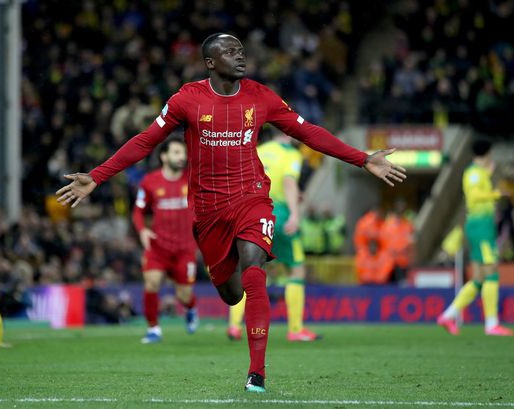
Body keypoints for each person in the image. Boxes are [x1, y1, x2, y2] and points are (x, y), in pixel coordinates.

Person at [56, 33, 406, 393]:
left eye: (241, 50)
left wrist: (362, 159)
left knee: (255, 268)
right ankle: (231, 279)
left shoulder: (261, 96)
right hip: (208, 210)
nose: (240, 56)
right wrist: (97, 176)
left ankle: (257, 373)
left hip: (251, 197)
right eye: (230, 52)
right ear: (210, 62)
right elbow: (146, 140)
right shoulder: (187, 100)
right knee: (231, 294)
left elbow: (308, 133)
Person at [227, 130, 320, 342]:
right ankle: (295, 329)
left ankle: (234, 326)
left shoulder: (257, 150)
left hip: (252, 213)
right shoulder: (291, 154)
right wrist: (295, 213)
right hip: (278, 213)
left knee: (251, 268)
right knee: (296, 269)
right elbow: (288, 182)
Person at [437, 140, 514, 336]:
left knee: (479, 279)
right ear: (487, 153)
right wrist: (496, 194)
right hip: (481, 227)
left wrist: (488, 175)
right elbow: (474, 196)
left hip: (482, 225)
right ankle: (492, 324)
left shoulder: (479, 173)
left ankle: (448, 316)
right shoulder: (473, 173)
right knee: (492, 272)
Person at [132, 137, 198, 343]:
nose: (182, 157)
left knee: (184, 295)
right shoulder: (149, 182)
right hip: (158, 247)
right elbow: (138, 211)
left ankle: (190, 308)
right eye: (177, 152)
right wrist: (142, 231)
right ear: (164, 156)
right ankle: (153, 329)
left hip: (185, 249)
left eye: (184, 153)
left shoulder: (193, 180)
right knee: (151, 283)